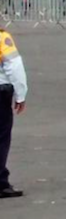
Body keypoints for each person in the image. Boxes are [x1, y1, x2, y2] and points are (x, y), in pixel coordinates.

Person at [0, 27, 27, 198]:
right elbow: (14, 66)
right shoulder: (2, 38)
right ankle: (0, 183)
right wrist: (21, 94)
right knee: (1, 138)